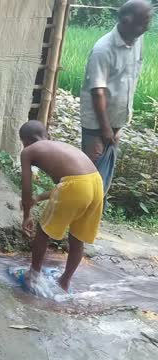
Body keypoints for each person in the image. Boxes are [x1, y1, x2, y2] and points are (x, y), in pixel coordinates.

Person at [19, 121, 104, 292]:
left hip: (75, 186)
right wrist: (40, 198)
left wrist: (27, 215)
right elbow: (74, 184)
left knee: (43, 233)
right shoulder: (61, 146)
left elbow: (26, 188)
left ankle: (34, 277)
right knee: (77, 239)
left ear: (25, 142)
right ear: (47, 136)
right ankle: (65, 282)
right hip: (96, 183)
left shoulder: (28, 151)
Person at [80, 0, 153, 193]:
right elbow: (98, 92)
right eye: (144, 20)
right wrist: (105, 129)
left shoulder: (138, 39)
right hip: (97, 124)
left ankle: (94, 216)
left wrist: (117, 126)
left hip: (115, 121)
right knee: (90, 174)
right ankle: (81, 218)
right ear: (126, 20)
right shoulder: (103, 49)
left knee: (103, 176)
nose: (148, 25)